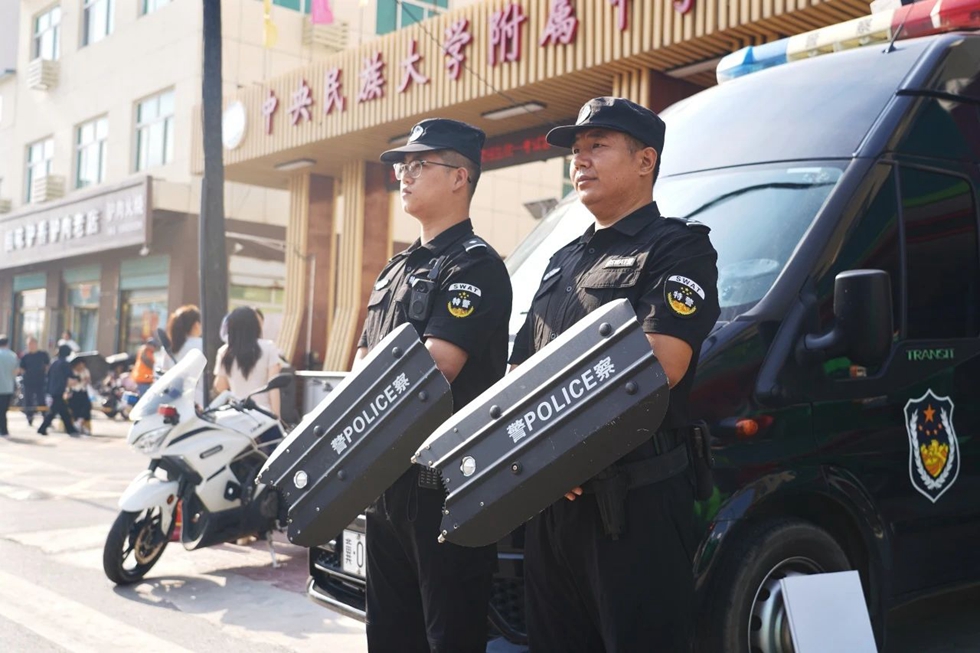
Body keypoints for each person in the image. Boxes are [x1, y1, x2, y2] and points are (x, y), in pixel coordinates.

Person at [508, 97, 720, 652]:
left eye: (597, 146)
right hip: (553, 502)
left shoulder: (679, 248)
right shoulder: (562, 261)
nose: (579, 160)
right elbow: (518, 373)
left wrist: (561, 443)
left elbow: (659, 362)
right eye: (576, 150)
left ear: (646, 160)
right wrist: (544, 453)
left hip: (634, 507)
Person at [358, 118, 512, 653]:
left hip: (445, 491)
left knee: (449, 636)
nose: (404, 174)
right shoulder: (395, 270)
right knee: (389, 634)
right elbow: (360, 367)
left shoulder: (475, 266)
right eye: (403, 165)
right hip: (385, 484)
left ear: (459, 177)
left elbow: (435, 369)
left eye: (419, 164)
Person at [213, 307, 281, 416]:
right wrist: (277, 416)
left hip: (236, 414)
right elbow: (274, 387)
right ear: (255, 326)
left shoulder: (224, 352)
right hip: (263, 414)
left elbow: (220, 386)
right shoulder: (269, 347)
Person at [166, 305, 205, 405]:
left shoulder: (170, 348)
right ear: (196, 325)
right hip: (198, 400)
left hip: (174, 400)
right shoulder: (201, 344)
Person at [38, 344, 80, 437]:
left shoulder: (54, 362)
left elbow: (48, 375)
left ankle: (70, 429)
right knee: (53, 411)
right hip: (59, 389)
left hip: (52, 389)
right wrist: (77, 377)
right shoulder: (65, 363)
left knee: (63, 411)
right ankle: (42, 428)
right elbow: (70, 375)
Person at [18, 337, 49, 426]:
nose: (31, 346)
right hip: (28, 382)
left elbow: (47, 365)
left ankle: (45, 417)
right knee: (28, 400)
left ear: (36, 344)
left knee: (41, 399)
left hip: (40, 381)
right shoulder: (25, 356)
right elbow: (22, 368)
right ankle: (29, 417)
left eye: (32, 344)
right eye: (29, 344)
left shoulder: (43, 354)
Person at [67, 357, 93, 435]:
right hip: (74, 393)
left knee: (87, 406)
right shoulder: (71, 372)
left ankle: (80, 423)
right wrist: (80, 380)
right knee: (75, 408)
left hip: (83, 391)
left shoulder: (86, 371)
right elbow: (70, 383)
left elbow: (88, 380)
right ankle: (79, 425)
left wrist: (85, 380)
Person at [0, 336, 18, 437]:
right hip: (8, 387)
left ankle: (3, 429)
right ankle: (4, 429)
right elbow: (16, 371)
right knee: (3, 410)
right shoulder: (12, 355)